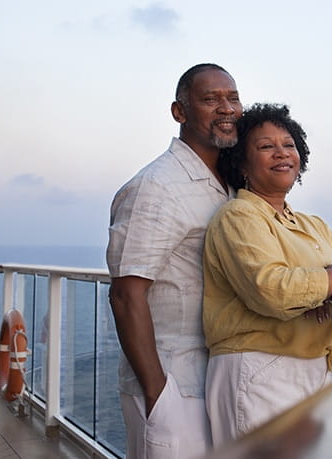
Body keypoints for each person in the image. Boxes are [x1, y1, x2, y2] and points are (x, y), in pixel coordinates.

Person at [202, 103, 332, 447]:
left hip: (317, 368)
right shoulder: (238, 217)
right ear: (242, 162)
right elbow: (275, 292)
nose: (282, 153)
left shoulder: (309, 225)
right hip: (259, 370)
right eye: (266, 146)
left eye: (288, 145)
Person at [106, 63, 241, 458]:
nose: (226, 108)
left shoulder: (231, 186)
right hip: (171, 384)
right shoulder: (156, 186)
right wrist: (156, 393)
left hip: (213, 379)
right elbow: (126, 295)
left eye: (232, 97)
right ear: (179, 112)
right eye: (210, 99)